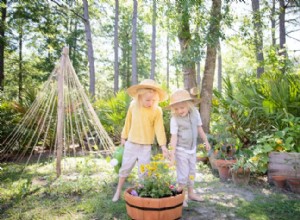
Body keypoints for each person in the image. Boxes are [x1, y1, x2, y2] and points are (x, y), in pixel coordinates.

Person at [112, 79, 169, 202]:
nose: (150, 102)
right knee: (125, 169)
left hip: (145, 146)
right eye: (147, 100)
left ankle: (142, 195)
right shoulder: (133, 105)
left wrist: (163, 146)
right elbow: (128, 122)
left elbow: (159, 129)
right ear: (139, 97)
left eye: (153, 100)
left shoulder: (157, 110)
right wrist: (123, 137)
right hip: (131, 143)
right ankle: (118, 191)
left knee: (144, 173)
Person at [167, 89, 211, 207]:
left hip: (192, 149)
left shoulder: (195, 113)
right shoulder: (174, 119)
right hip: (181, 150)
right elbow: (174, 138)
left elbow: (199, 128)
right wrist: (172, 155)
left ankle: (191, 193)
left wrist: (206, 141)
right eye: (176, 109)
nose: (179, 111)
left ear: (188, 104)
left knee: (192, 172)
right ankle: (182, 196)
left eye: (182, 107)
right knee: (183, 174)